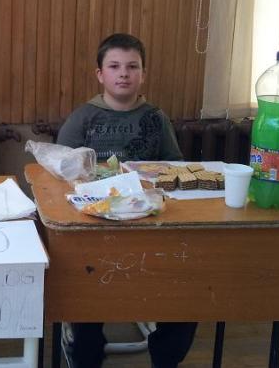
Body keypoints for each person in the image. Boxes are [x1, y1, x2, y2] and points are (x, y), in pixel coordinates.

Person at [56, 33, 197, 368]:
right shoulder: (84, 117)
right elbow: (60, 171)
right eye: (114, 66)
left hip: (150, 226)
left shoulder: (156, 118)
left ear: (143, 74)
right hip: (94, 229)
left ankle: (166, 355)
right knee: (85, 289)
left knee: (189, 287)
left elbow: (174, 168)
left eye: (132, 66)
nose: (123, 73)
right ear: (100, 74)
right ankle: (86, 349)